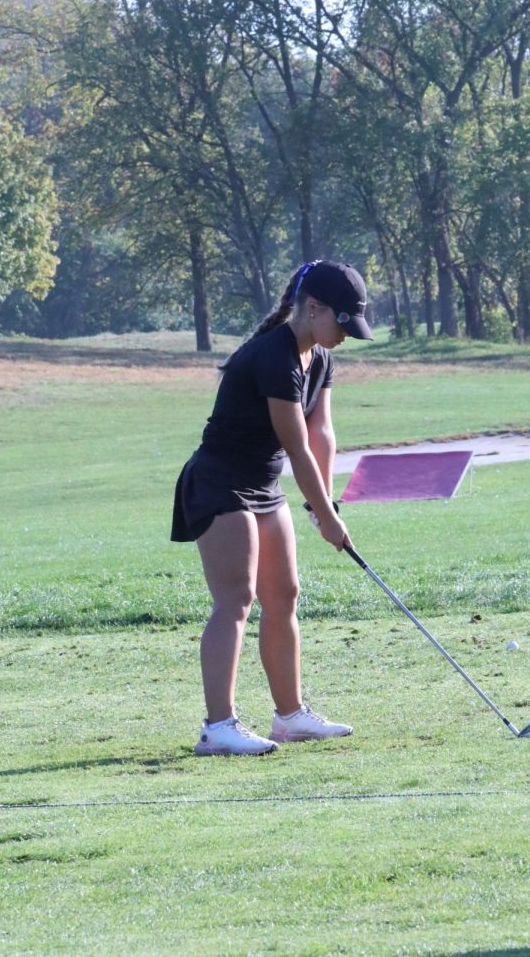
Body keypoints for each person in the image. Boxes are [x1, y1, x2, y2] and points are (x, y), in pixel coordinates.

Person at [171, 259, 372, 756]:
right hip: (219, 483)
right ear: (313, 308)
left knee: (284, 594)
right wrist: (325, 517)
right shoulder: (272, 356)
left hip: (262, 486)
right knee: (236, 599)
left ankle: (290, 716)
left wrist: (323, 503)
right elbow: (296, 445)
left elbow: (322, 436)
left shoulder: (320, 357)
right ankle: (218, 726)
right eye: (341, 322)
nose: (345, 334)